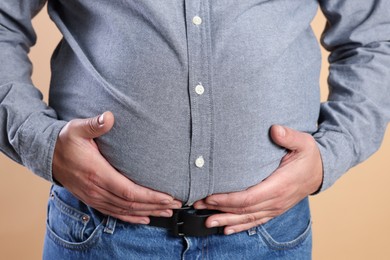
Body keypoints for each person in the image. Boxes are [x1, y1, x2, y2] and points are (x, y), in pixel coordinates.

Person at [0, 0, 389, 259]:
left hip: (270, 237)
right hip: (99, 234)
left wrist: (330, 155)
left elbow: (373, 36)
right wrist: (42, 143)